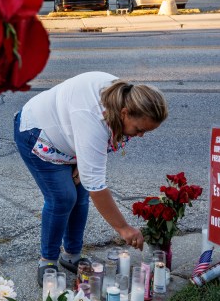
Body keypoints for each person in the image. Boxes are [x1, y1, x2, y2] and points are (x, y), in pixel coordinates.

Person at [13, 72, 168, 286]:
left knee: (80, 196)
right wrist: (124, 228)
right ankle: (47, 260)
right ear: (124, 113)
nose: (140, 135)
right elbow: (96, 184)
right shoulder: (94, 117)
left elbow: (91, 159)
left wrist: (80, 160)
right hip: (38, 133)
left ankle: (71, 255)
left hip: (70, 135)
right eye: (139, 130)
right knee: (63, 197)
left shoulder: (123, 97)